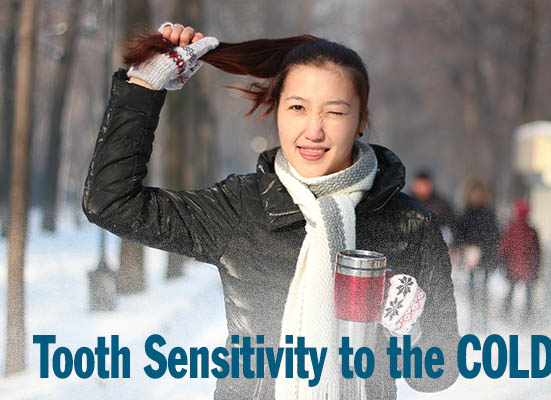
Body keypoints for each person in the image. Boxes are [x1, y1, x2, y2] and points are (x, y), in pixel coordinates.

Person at [82, 22, 460, 399]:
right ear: (276, 111)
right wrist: (146, 86)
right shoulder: (241, 207)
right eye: (298, 107)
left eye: (334, 112)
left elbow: (437, 375)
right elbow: (113, 203)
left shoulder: (408, 224)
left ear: (361, 120)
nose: (313, 130)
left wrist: (412, 334)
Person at [453, 179, 500, 333]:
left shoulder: (488, 214)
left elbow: (494, 236)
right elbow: (459, 233)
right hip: (470, 258)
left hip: (485, 257)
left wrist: (483, 249)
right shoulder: (465, 214)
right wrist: (463, 247)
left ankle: (484, 324)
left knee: (484, 292)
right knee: (472, 292)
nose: (475, 197)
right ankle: (473, 323)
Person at [498, 199, 541, 326]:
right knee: (528, 295)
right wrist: (536, 268)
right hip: (527, 268)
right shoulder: (532, 231)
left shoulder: (511, 229)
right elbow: (537, 253)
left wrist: (502, 262)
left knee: (510, 291)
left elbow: (503, 248)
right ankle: (527, 319)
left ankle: (505, 315)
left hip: (513, 267)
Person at [410, 169, 455, 243]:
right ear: (414, 185)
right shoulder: (407, 202)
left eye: (424, 185)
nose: (422, 188)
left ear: (430, 185)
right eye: (419, 185)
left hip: (437, 239)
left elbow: (451, 224)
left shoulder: (441, 204)